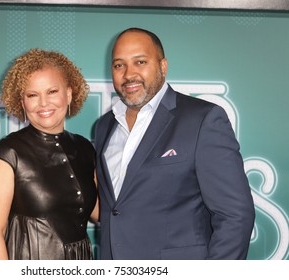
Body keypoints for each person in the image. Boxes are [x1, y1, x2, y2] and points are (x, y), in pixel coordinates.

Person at [94, 27, 255, 260]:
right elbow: (115, 211)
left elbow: (235, 216)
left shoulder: (202, 119)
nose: (129, 74)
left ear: (163, 66)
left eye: (140, 62)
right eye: (119, 65)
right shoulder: (104, 126)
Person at [0, 48, 98, 260]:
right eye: (32, 95)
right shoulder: (8, 153)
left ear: (69, 94)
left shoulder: (85, 148)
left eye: (52, 92)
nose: (43, 103)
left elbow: (101, 213)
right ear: (22, 102)